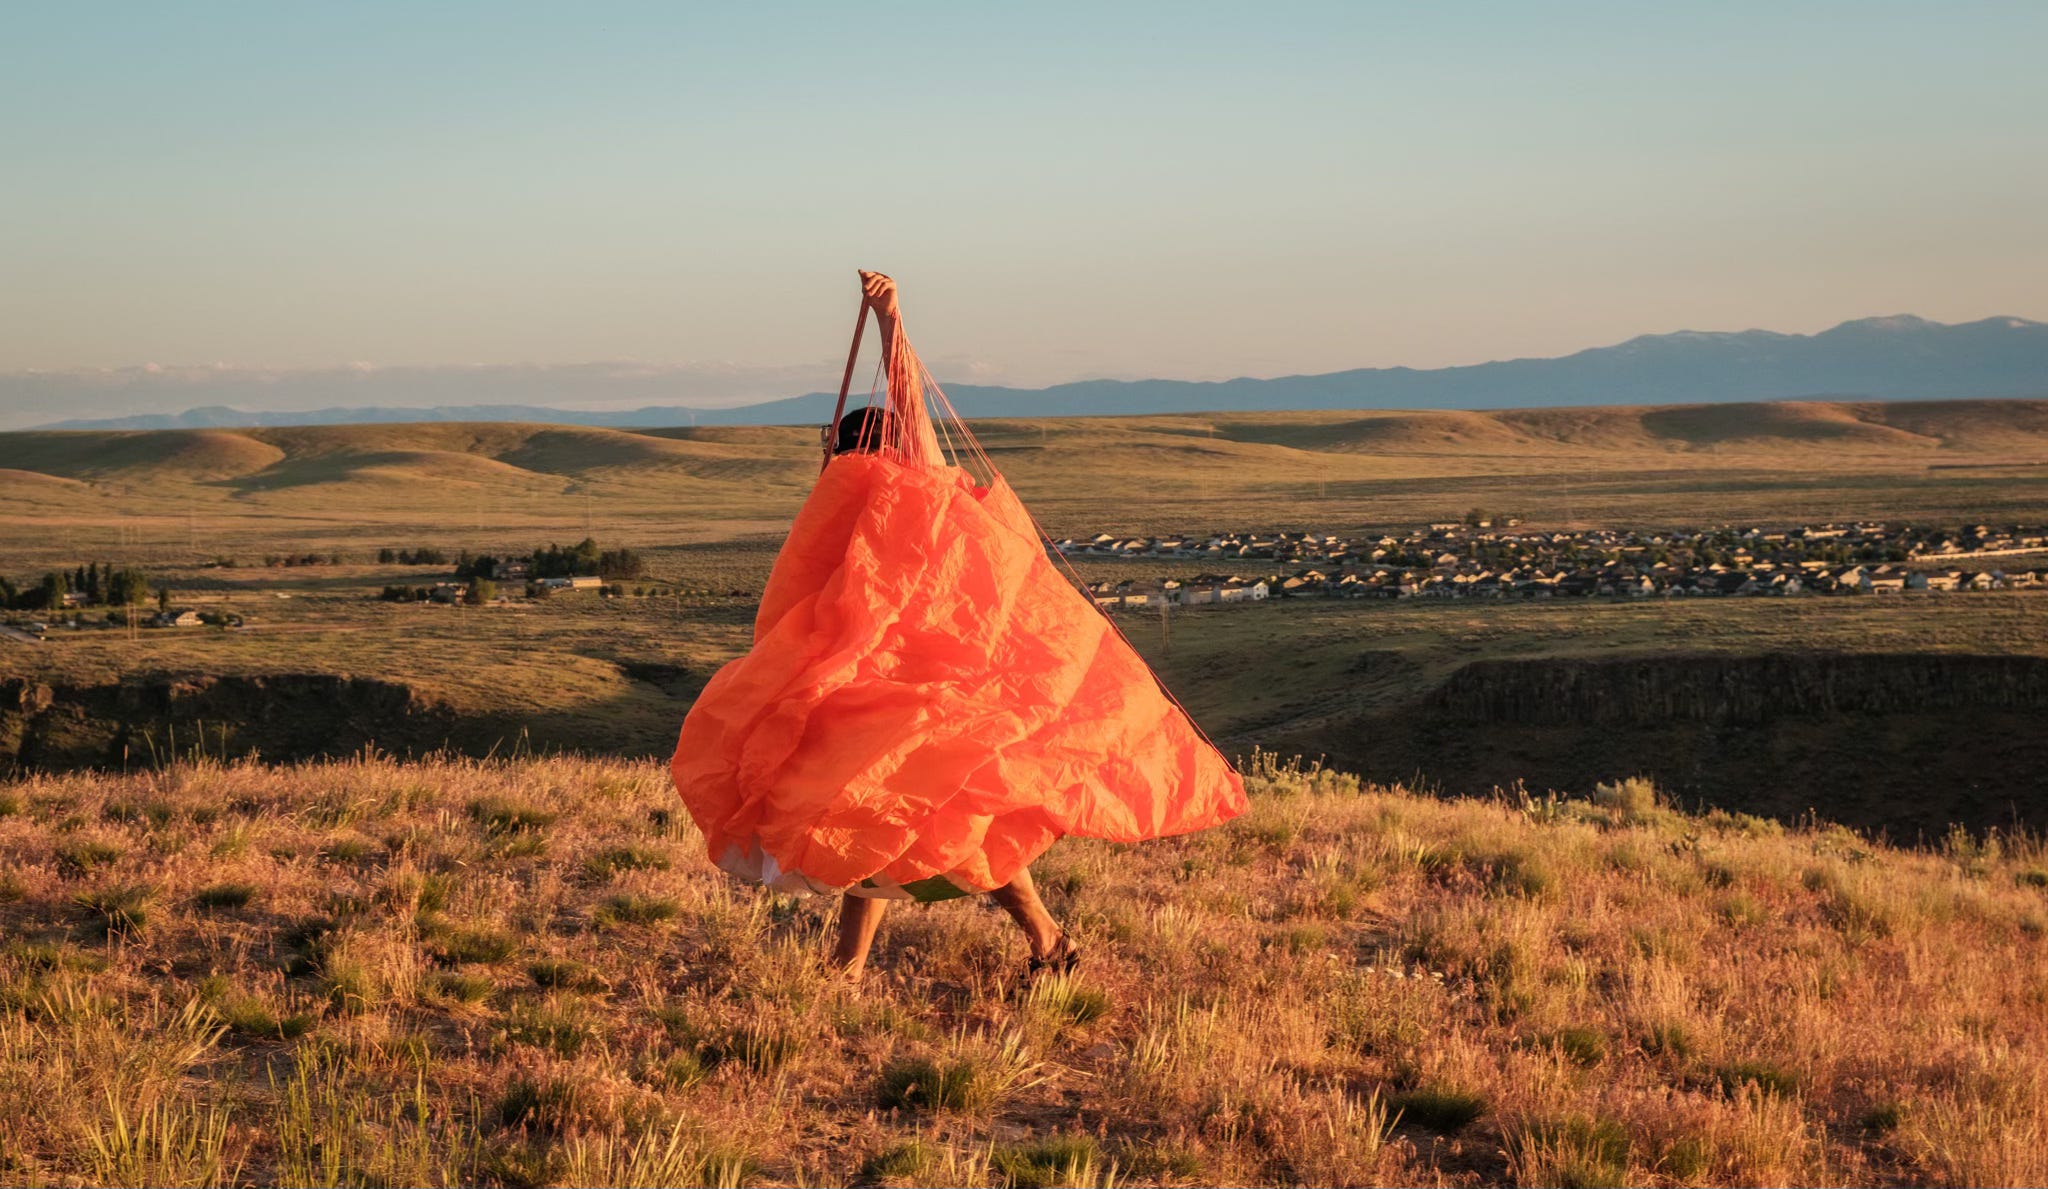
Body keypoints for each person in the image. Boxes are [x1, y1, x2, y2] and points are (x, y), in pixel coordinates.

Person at [822, 393, 1081, 981]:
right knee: (882, 821)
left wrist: (893, 324)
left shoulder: (924, 498)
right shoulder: (864, 506)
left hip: (939, 692)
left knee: (951, 822)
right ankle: (848, 970)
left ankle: (1048, 939)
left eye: (848, 454)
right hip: (890, 692)